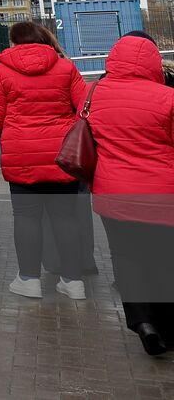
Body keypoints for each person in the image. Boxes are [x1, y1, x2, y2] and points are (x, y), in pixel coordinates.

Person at [0, 21, 88, 299]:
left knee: (26, 217)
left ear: (13, 42)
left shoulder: (0, 73)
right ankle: (73, 282)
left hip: (21, 156)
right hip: (62, 155)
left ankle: (29, 279)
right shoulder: (66, 67)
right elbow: (84, 108)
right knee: (66, 218)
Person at [85, 33, 174, 355]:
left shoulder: (92, 93)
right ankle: (166, 326)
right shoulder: (167, 98)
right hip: (162, 196)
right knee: (165, 260)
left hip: (112, 194)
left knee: (126, 257)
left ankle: (141, 321)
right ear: (154, 62)